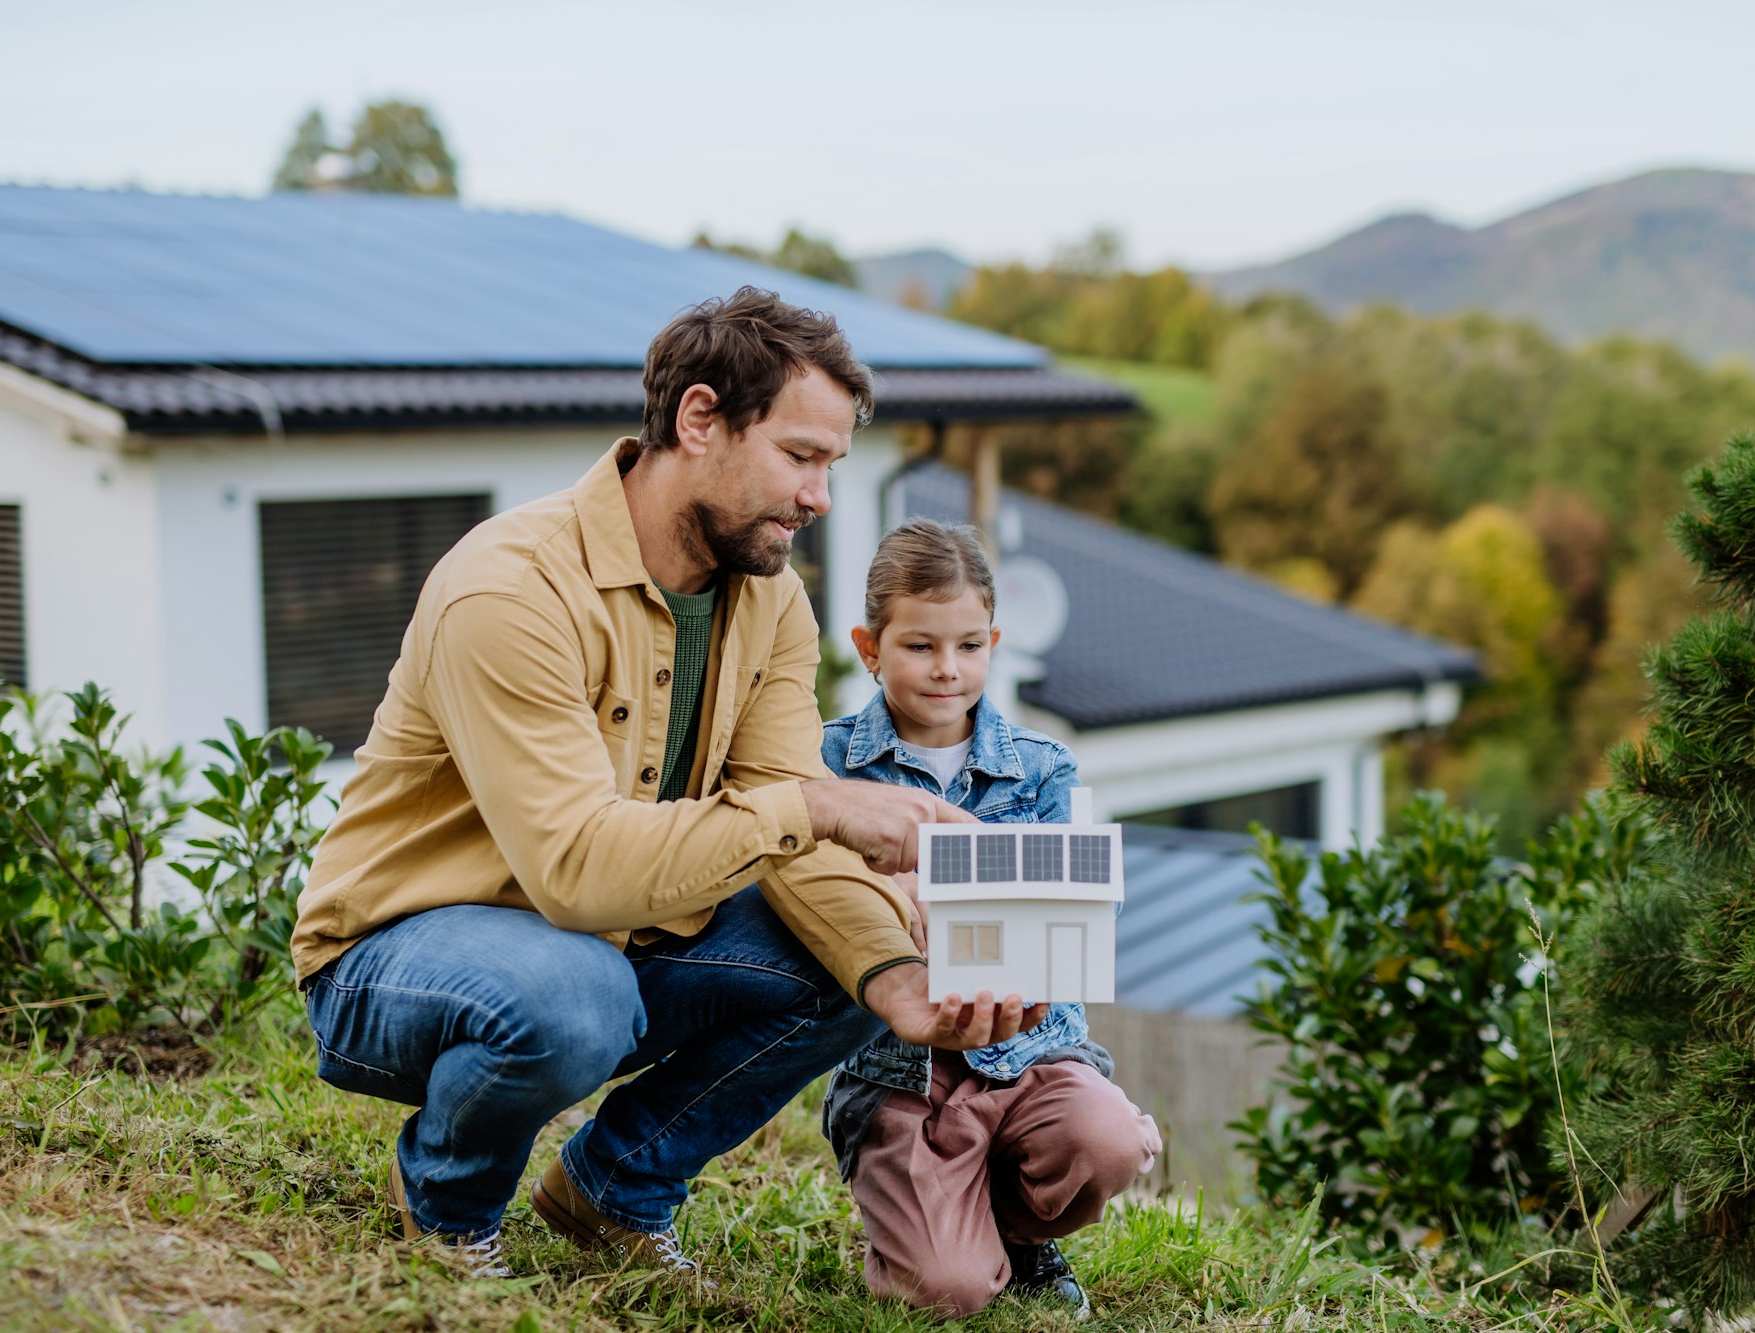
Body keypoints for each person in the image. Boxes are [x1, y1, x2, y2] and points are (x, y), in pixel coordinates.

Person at [290, 288, 1045, 1281]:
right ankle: (452, 1206)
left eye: (831, 465)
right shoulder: (510, 587)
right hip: (395, 960)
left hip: (608, 944)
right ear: (698, 420)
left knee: (855, 939)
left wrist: (895, 980)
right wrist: (819, 802)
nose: (818, 496)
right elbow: (574, 871)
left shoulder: (769, 600)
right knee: (575, 994)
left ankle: (612, 1192)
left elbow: (787, 830)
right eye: (800, 456)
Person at [818, 519, 1162, 1318]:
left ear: (994, 642)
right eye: (920, 646)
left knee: (1105, 1141)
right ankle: (940, 1231)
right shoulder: (829, 766)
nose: (948, 669)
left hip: (1030, 1050)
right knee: (947, 1290)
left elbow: (1079, 906)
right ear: (870, 647)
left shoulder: (1045, 767)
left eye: (969, 645)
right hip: (899, 1069)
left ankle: (1019, 1234)